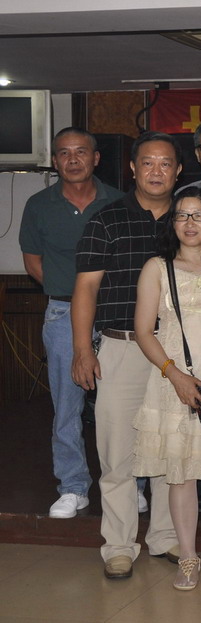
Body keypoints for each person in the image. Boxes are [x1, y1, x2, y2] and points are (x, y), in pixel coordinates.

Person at [72, 131, 183, 579]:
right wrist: (83, 349)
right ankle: (118, 544)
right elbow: (86, 288)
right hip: (121, 349)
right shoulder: (106, 220)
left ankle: (165, 536)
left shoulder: (190, 218)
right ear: (133, 168)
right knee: (116, 452)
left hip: (177, 352)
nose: (157, 171)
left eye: (166, 163)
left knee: (169, 449)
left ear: (178, 171)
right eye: (148, 163)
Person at [132, 187, 201, 590]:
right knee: (179, 476)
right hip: (173, 382)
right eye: (182, 215)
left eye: (198, 215)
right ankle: (188, 557)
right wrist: (174, 375)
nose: (190, 223)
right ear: (172, 223)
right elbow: (144, 331)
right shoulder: (156, 268)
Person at [19, 127, 124, 519]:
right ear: (55, 161)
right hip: (62, 314)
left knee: (122, 404)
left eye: (81, 151)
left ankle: (130, 484)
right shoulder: (39, 204)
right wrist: (68, 291)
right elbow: (33, 261)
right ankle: (73, 486)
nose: (73, 159)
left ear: (96, 158)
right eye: (64, 153)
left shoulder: (120, 201)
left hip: (116, 316)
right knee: (67, 405)